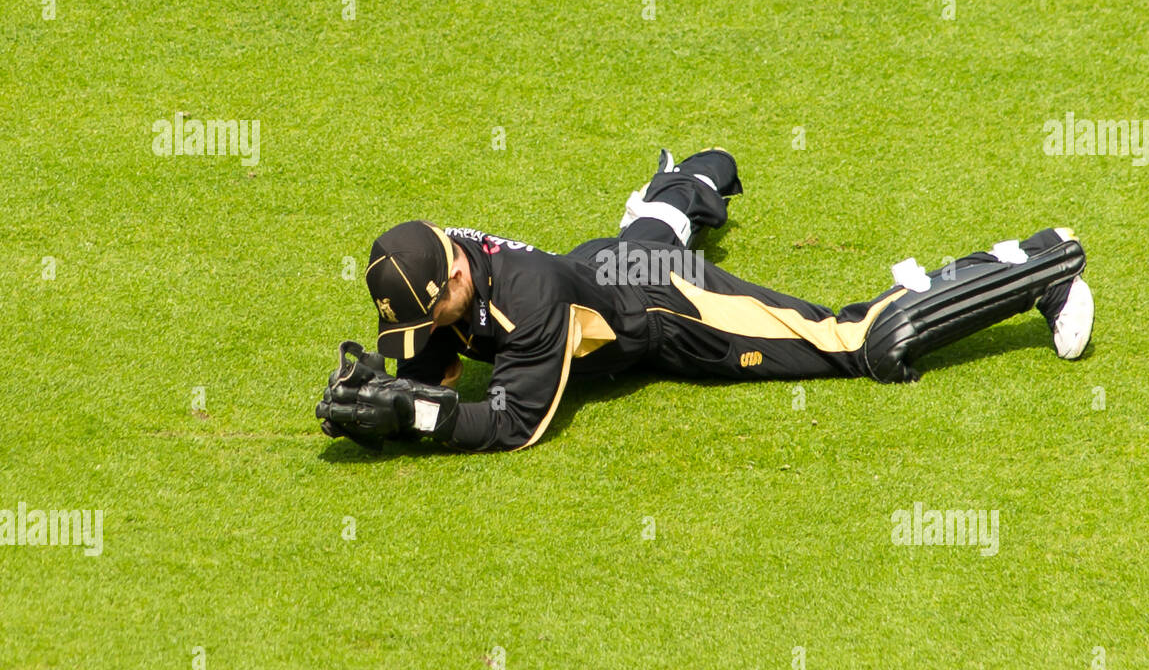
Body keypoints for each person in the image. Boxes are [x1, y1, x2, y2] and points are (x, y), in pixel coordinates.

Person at [316, 148, 1093, 451]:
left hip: (666, 307)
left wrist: (411, 417)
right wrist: (383, 402)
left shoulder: (529, 300)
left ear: (454, 279)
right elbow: (435, 365)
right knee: (641, 241)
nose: (425, 334)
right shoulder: (442, 271)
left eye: (431, 314)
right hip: (609, 265)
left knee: (860, 344)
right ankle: (687, 180)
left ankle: (1041, 262)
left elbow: (516, 425)